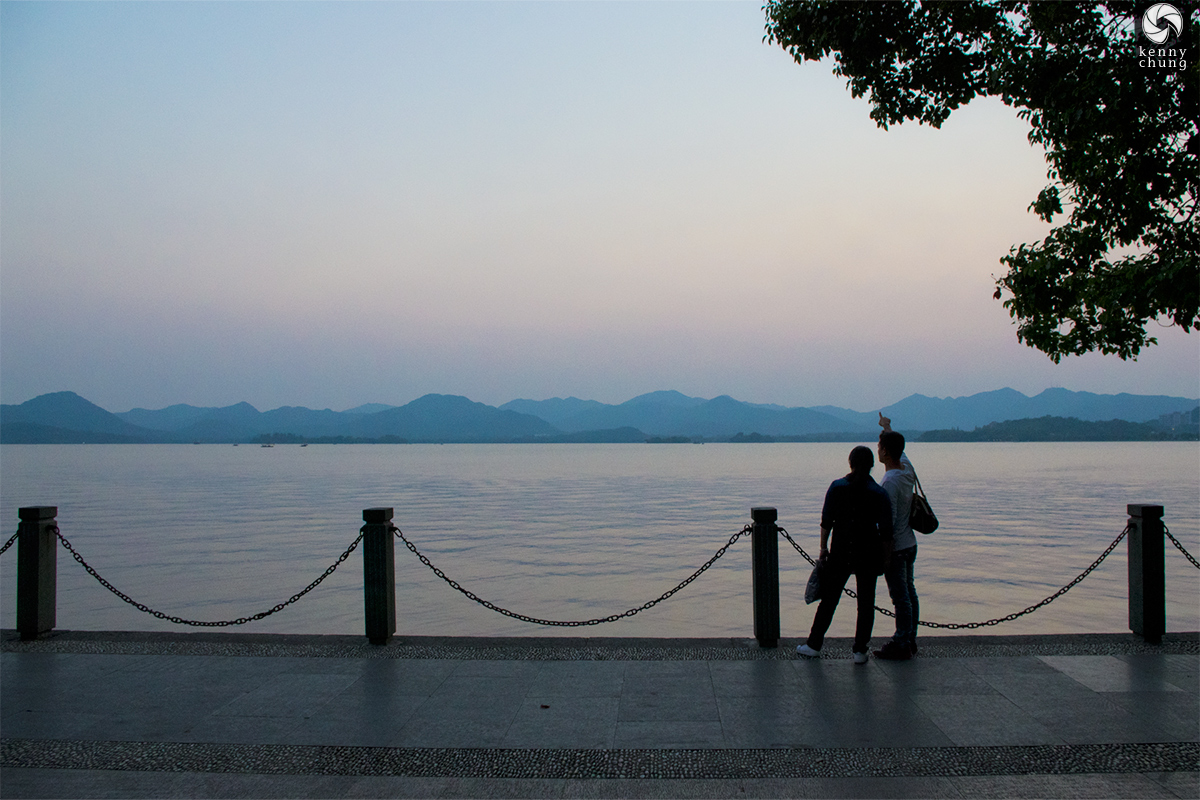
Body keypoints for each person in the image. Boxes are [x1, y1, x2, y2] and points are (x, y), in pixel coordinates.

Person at [797, 445, 893, 664]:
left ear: (850, 463)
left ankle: (814, 644)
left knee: (829, 600)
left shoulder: (837, 487)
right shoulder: (879, 493)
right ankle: (860, 650)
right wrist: (886, 559)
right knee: (866, 603)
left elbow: (826, 522)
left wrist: (823, 549)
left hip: (840, 550)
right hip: (868, 552)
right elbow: (886, 532)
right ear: (871, 465)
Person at [873, 413, 920, 660]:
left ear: (886, 453)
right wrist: (887, 426)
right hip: (910, 543)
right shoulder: (907, 469)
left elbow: (887, 523)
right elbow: (900, 450)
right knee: (909, 592)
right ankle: (910, 638)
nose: (877, 450)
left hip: (898, 546)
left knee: (900, 597)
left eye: (880, 447)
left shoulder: (889, 482)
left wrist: (885, 553)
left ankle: (901, 642)